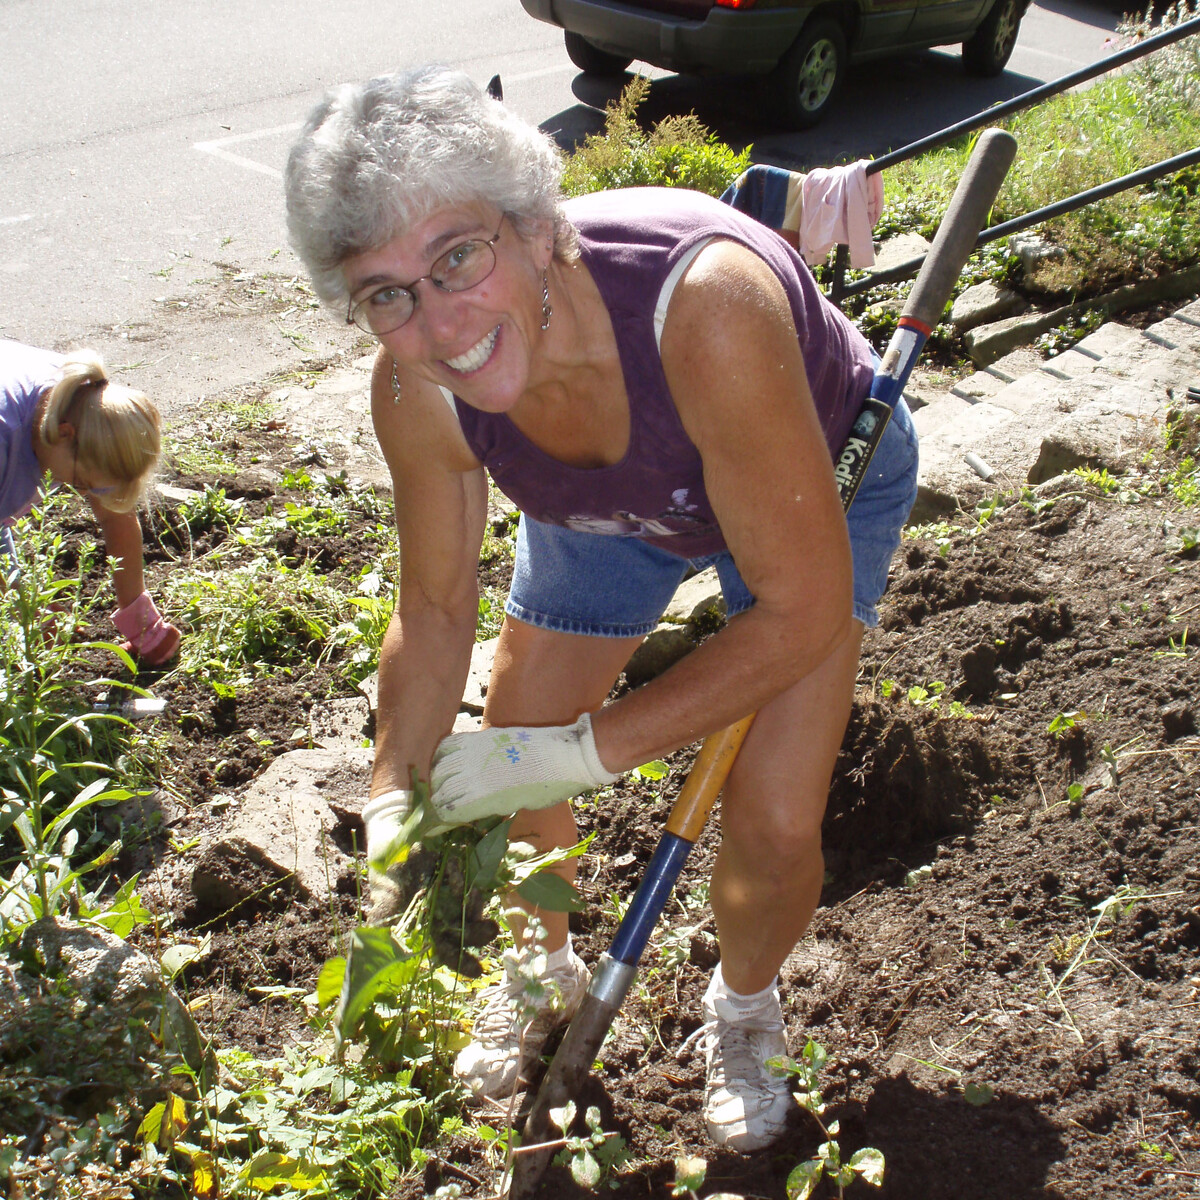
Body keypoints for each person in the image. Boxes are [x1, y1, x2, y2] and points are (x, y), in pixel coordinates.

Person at [285, 65, 918, 1152]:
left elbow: (799, 612)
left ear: (537, 229)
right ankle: (542, 965)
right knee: (514, 736)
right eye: (386, 294)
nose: (438, 323)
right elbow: (433, 606)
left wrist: (583, 753)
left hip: (811, 468)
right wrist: (394, 794)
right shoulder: (421, 389)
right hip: (606, 506)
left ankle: (745, 1007)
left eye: (457, 256)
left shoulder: (702, 307)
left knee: (772, 818)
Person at [1, 339, 180, 665]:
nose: (82, 491)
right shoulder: (7, 435)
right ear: (65, 435)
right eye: (81, 483)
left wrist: (142, 624)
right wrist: (28, 609)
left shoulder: (85, 406)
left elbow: (116, 517)